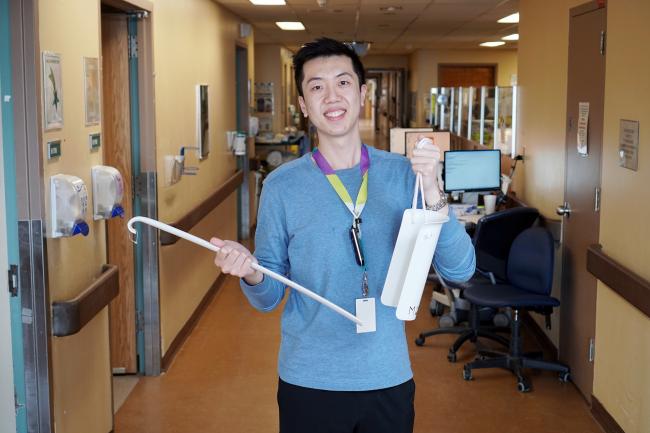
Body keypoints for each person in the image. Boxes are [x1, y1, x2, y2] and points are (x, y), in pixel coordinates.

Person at [211, 37, 475, 433]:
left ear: (363, 93)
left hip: (386, 376)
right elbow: (268, 298)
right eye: (316, 86)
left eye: (343, 82)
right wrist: (250, 271)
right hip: (309, 380)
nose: (331, 96)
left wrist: (435, 191)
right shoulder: (282, 186)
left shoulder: (405, 176)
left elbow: (460, 270)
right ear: (303, 104)